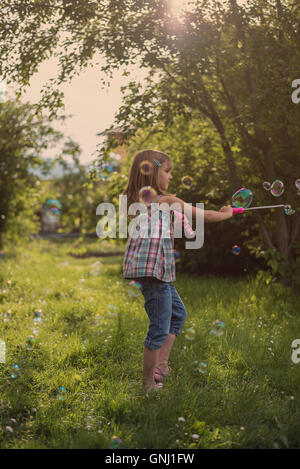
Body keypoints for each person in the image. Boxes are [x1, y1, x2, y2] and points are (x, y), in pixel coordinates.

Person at [122, 149, 233, 392]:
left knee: (178, 314)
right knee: (159, 328)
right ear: (151, 174)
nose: (171, 177)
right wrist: (226, 214)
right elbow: (203, 216)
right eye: (168, 171)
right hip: (155, 272)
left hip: (154, 272)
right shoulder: (166, 201)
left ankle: (161, 366)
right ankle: (148, 384)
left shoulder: (138, 201)